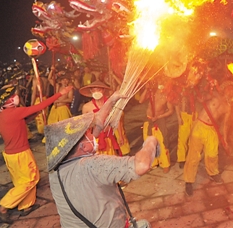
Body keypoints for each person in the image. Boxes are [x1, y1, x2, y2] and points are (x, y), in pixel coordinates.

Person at [45, 92, 158, 228]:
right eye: (88, 134)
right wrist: (150, 142)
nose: (93, 134)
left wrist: (112, 99)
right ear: (83, 146)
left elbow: (98, 123)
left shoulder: (55, 171)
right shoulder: (93, 165)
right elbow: (141, 165)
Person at [0, 84, 72, 224]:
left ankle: (26, 206)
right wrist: (60, 94)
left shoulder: (0, 114)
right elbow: (40, 105)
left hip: (10, 154)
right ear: (7, 100)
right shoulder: (14, 112)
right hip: (20, 153)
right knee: (31, 179)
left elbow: (20, 122)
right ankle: (3, 207)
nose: (16, 97)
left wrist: (35, 115)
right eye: (12, 96)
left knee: (21, 181)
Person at [183, 79, 231, 196]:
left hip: (211, 130)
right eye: (228, 88)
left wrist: (224, 139)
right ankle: (189, 181)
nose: (229, 91)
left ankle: (213, 173)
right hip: (200, 125)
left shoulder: (228, 107)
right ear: (224, 89)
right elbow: (202, 98)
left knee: (212, 154)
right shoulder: (215, 95)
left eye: (232, 91)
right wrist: (206, 94)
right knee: (194, 156)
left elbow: (225, 124)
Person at [81, 80, 130, 156]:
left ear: (103, 90)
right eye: (93, 90)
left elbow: (117, 121)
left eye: (98, 89)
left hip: (109, 137)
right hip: (96, 139)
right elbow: (85, 126)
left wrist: (120, 135)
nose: (96, 92)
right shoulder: (86, 107)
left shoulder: (110, 104)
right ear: (91, 91)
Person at [138, 77, 174, 173]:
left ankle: (165, 164)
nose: (162, 84)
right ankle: (152, 163)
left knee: (162, 143)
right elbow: (140, 101)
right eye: (160, 81)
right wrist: (146, 89)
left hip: (159, 121)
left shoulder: (167, 97)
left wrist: (159, 116)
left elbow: (171, 110)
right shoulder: (151, 93)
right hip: (148, 120)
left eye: (164, 82)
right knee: (148, 143)